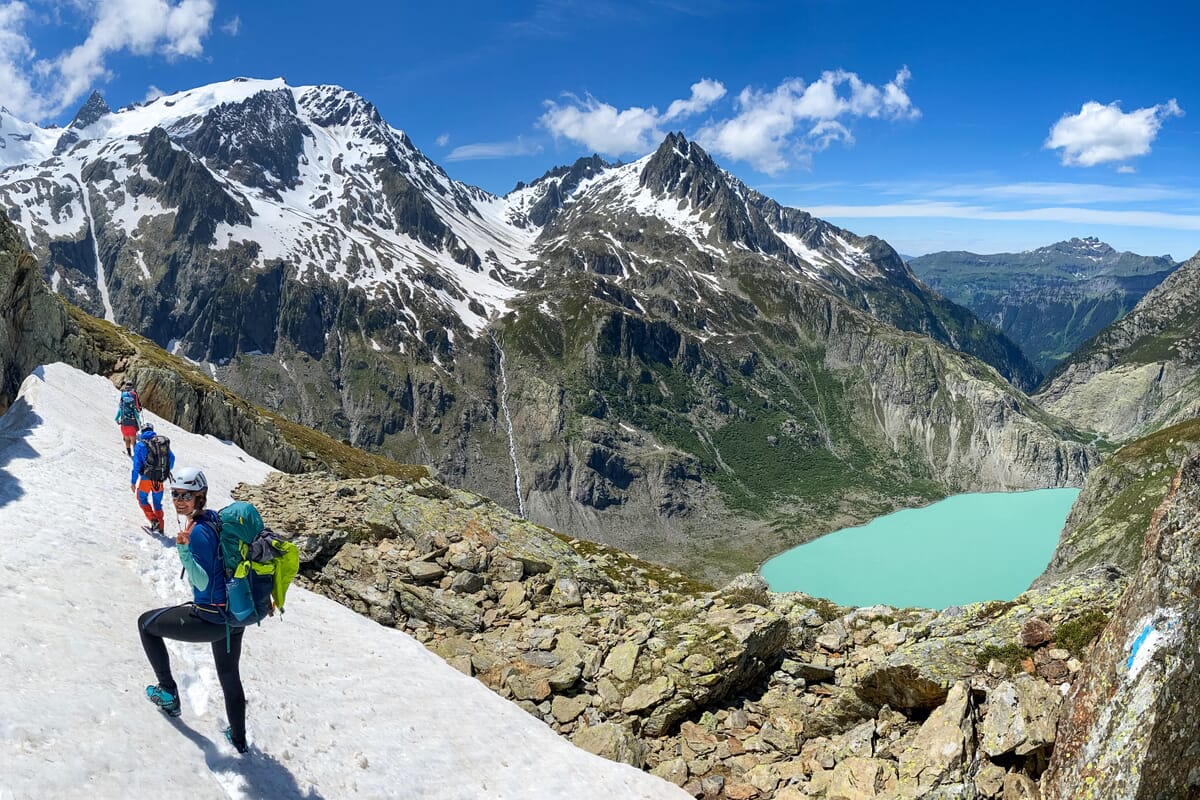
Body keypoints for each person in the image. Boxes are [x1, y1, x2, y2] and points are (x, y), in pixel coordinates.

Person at [138, 468, 249, 754]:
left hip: (209, 617)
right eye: (175, 494)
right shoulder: (213, 519)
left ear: (200, 496)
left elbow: (202, 580)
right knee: (229, 675)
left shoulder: (197, 533)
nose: (178, 500)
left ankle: (168, 694)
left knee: (145, 624)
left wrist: (184, 550)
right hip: (233, 617)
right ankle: (238, 739)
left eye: (185, 495)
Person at [130, 422, 174, 533]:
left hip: (146, 479)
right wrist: (164, 470)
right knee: (157, 503)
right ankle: (161, 527)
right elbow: (172, 459)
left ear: (142, 432)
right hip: (159, 479)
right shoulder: (161, 444)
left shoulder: (140, 445)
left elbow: (136, 465)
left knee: (142, 499)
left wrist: (133, 481)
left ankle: (153, 520)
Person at [114, 388, 142, 457]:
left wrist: (118, 421)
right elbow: (137, 417)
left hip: (123, 426)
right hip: (132, 427)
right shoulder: (132, 408)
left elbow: (116, 418)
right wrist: (140, 426)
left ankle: (129, 453)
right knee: (133, 442)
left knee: (127, 440)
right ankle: (136, 456)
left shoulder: (121, 408)